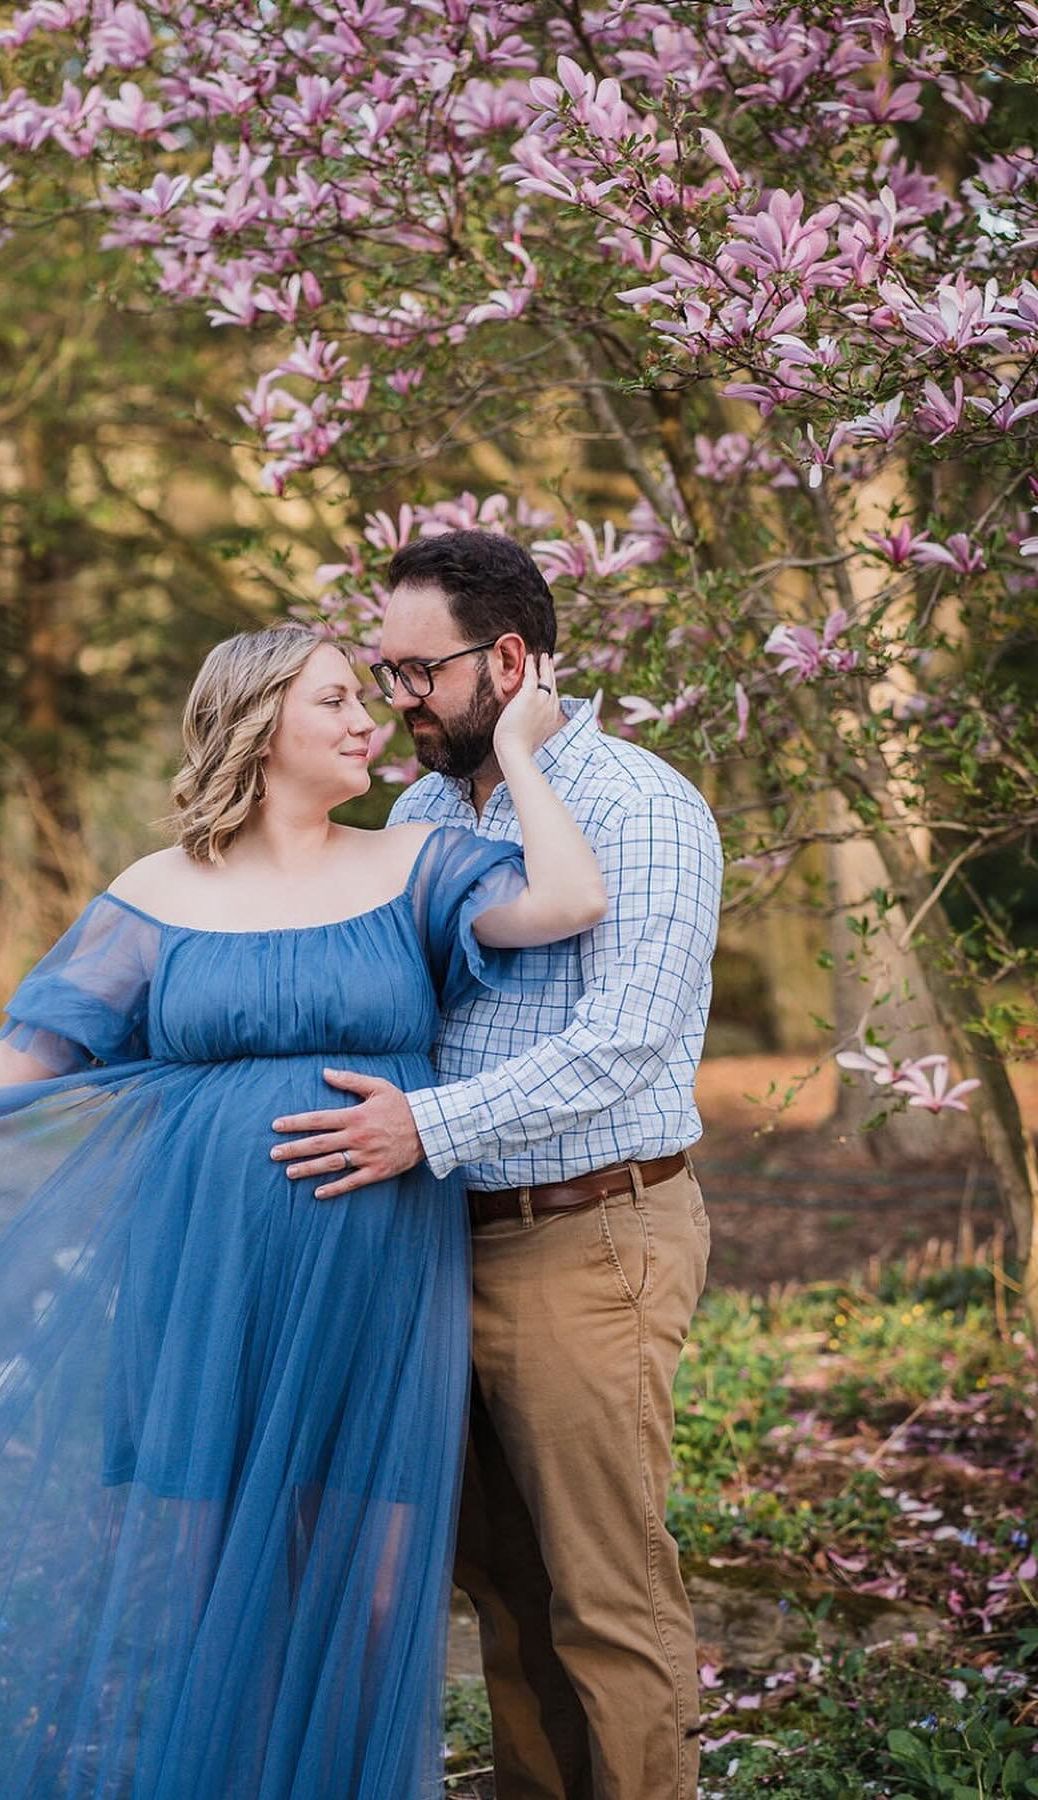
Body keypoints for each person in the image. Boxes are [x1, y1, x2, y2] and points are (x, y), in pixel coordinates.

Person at [0, 625, 606, 1800]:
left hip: (372, 1267)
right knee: (224, 1583)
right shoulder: (158, 893)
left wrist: (522, 746)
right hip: (205, 1265)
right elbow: (30, 1056)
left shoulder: (412, 859)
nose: (371, 718)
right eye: (336, 699)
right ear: (263, 723)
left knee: (373, 1589)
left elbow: (571, 900)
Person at [270, 532, 724, 1798]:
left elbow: (625, 1044)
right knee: (501, 1587)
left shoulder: (642, 805)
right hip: (433, 1248)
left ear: (510, 660)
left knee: (606, 1593)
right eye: (381, 669)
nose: (392, 698)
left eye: (416, 672)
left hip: (591, 1238)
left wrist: (429, 1125)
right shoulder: (420, 810)